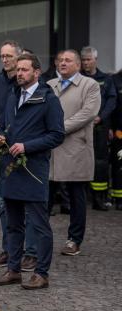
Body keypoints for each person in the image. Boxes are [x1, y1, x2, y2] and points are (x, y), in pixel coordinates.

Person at [0, 53, 65, 290]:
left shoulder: (48, 100)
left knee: (39, 225)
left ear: (37, 72)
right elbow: (5, 125)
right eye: (18, 70)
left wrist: (27, 146)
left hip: (33, 170)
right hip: (11, 169)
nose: (19, 73)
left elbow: (57, 135)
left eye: (24, 70)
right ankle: (14, 270)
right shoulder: (13, 96)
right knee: (12, 224)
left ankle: (41, 273)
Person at [47, 50, 101, 256]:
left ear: (78, 65)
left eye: (68, 60)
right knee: (45, 196)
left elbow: (88, 113)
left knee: (76, 195)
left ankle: (74, 239)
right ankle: (40, 238)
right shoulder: (49, 85)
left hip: (76, 147)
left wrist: (57, 128)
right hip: (51, 149)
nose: (62, 63)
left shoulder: (90, 85)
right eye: (60, 60)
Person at [0, 40, 23, 269]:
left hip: (20, 150)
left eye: (9, 56)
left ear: (19, 57)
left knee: (21, 204)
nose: (5, 59)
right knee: (2, 203)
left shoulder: (23, 81)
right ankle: (8, 250)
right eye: (2, 56)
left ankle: (24, 250)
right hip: (0, 150)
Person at [80, 46, 117, 210]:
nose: (86, 63)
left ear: (95, 60)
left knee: (100, 161)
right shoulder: (78, 78)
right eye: (83, 60)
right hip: (81, 125)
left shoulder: (106, 79)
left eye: (88, 59)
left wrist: (100, 117)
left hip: (100, 126)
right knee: (80, 159)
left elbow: (111, 101)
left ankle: (98, 198)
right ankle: (80, 197)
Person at [111, 67, 122, 210]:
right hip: (120, 132)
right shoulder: (115, 80)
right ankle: (119, 198)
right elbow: (113, 106)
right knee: (119, 167)